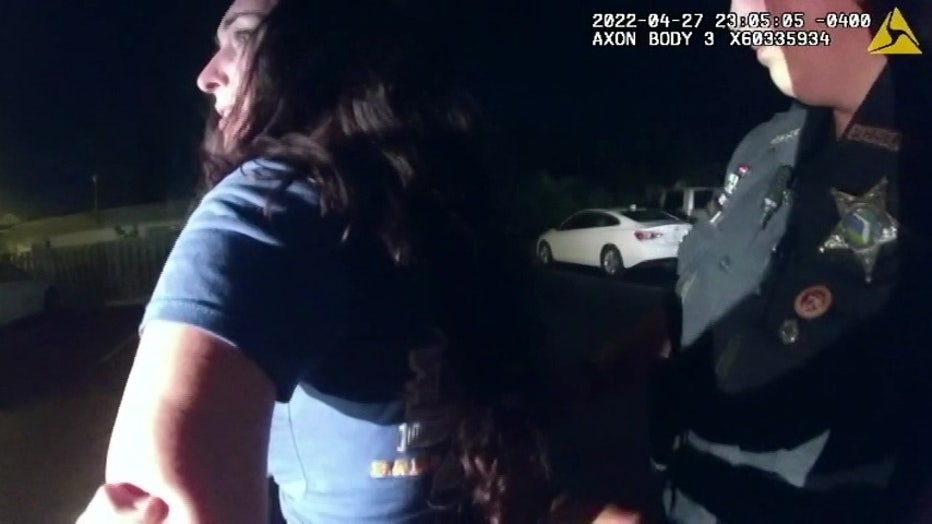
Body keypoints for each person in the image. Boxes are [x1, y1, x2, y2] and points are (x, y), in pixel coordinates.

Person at [75, 0, 561, 522]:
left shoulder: (262, 209)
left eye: (242, 38)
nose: (206, 75)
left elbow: (162, 505)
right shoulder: (436, 203)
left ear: (321, 54)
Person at [594, 0, 931, 522]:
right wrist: (594, 375)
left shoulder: (915, 179)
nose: (739, 14)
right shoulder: (769, 146)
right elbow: (696, 297)